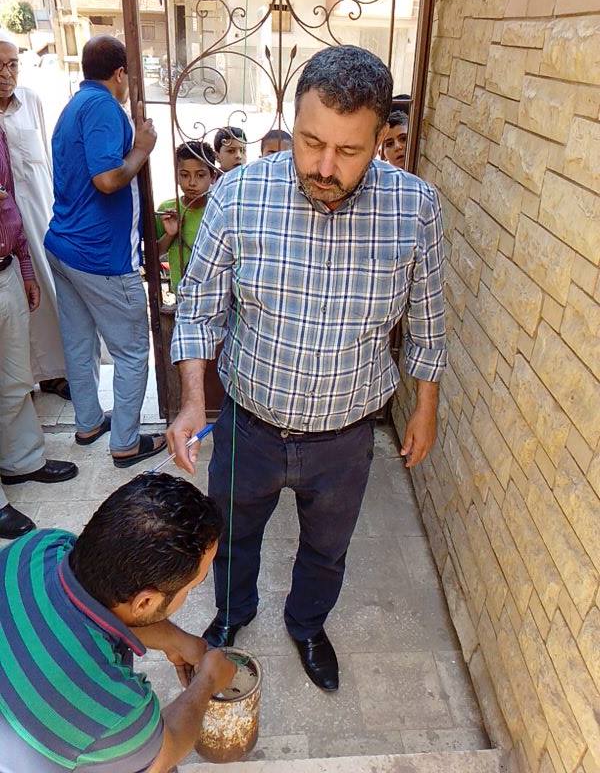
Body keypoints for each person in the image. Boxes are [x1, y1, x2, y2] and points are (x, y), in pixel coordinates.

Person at [167, 45, 447, 692]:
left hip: (345, 439)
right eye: (311, 141)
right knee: (232, 535)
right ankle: (233, 613)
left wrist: (426, 407)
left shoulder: (416, 209)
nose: (324, 166)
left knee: (327, 547)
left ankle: (307, 624)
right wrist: (192, 402)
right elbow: (201, 309)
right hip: (248, 427)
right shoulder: (240, 193)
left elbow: (428, 323)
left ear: (380, 140)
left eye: (348, 151)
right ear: (293, 121)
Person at [0, 472, 236, 772]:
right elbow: (166, 750)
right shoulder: (110, 707)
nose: (191, 591)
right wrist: (208, 681)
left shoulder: (37, 546)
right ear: (145, 603)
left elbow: (100, 603)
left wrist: (175, 640)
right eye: (192, 586)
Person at [45, 35, 166, 467]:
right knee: (131, 350)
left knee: (80, 343)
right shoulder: (102, 107)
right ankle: (126, 443)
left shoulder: (73, 106)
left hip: (65, 246)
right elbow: (108, 179)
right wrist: (142, 149)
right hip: (100, 256)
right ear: (120, 73)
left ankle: (89, 423)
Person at [0, 126, 78, 541]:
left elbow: (8, 199)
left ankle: (21, 462)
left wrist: (25, 268)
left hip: (6, 269)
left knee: (15, 379)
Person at [0, 31, 70, 399]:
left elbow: (47, 157)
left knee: (48, 294)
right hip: (5, 229)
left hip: (40, 217)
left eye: (12, 65)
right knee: (12, 304)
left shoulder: (30, 101)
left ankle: (55, 374)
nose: (6, 74)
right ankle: (19, 383)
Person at [156, 141, 218, 295]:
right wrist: (170, 234)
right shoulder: (168, 210)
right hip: (182, 293)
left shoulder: (218, 209)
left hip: (214, 292)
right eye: (184, 175)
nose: (192, 183)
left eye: (200, 175)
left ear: (213, 177)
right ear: (176, 176)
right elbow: (155, 253)